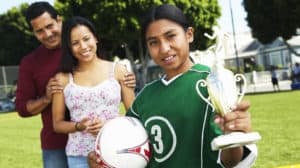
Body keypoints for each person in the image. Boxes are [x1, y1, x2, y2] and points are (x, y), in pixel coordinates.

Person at [88, 4, 258, 168]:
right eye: (154, 42)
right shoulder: (146, 96)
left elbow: (230, 161)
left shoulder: (212, 84)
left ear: (189, 34)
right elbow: (129, 147)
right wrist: (104, 156)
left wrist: (233, 136)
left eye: (171, 36)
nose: (164, 48)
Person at [15, 2, 135, 168]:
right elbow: (22, 108)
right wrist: (46, 98)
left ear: (59, 20)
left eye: (50, 26)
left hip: (111, 143)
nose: (48, 33)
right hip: (60, 145)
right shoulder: (32, 63)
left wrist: (126, 81)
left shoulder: (86, 46)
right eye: (40, 31)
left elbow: (130, 110)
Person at [51, 16, 135, 168]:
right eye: (75, 43)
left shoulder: (118, 70)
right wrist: (79, 126)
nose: (83, 46)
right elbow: (57, 124)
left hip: (117, 151)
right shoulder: (62, 79)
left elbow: (134, 116)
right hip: (79, 158)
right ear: (68, 47)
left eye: (86, 38)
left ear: (95, 38)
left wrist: (110, 125)